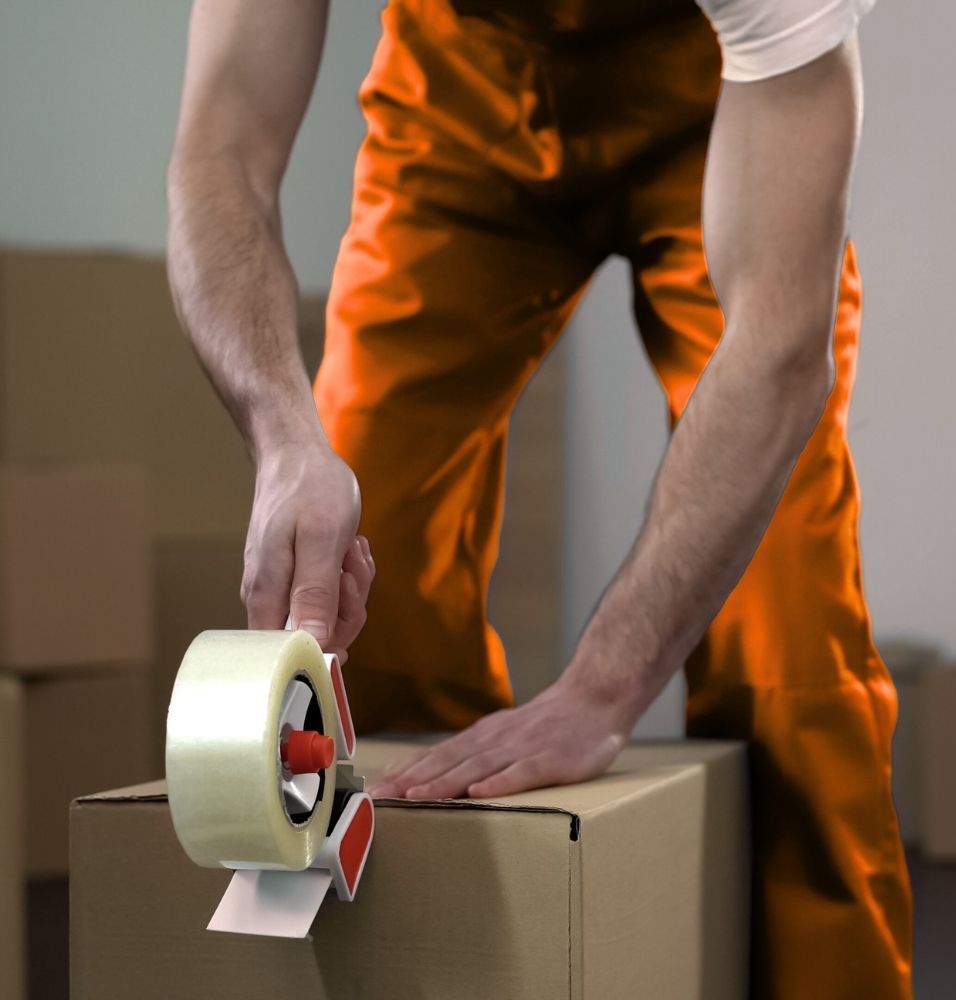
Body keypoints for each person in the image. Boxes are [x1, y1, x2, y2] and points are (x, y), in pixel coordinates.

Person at [166, 0, 912, 994]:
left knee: (787, 626)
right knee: (364, 592)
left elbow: (778, 351)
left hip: (717, 106)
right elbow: (221, 153)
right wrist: (282, 434)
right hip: (457, 103)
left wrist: (603, 687)